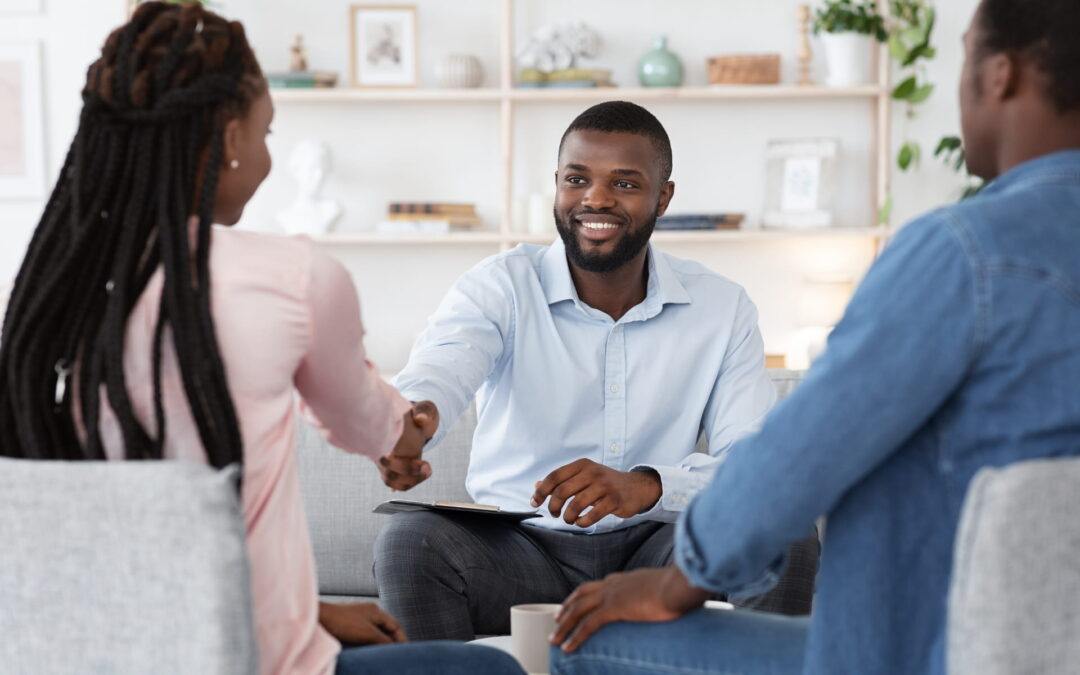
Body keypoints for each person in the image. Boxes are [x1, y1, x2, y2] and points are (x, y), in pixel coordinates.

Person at [547, 1, 1080, 673]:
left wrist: (680, 578)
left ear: (999, 74)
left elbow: (797, 457)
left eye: (966, 55)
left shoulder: (965, 256)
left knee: (583, 638)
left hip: (920, 652)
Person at [0, 4, 521, 675]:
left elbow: (145, 543)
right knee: (492, 671)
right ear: (229, 133)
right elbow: (369, 421)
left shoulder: (53, 292)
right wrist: (402, 435)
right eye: (267, 130)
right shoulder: (293, 279)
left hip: (87, 654)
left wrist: (316, 610)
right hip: (252, 661)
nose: (271, 154)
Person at [375, 101, 820, 641]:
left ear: (664, 197)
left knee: (781, 532)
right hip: (517, 552)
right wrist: (411, 422)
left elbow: (755, 469)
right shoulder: (500, 285)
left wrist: (649, 488)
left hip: (658, 554)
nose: (596, 198)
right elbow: (442, 367)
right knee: (409, 541)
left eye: (625, 183)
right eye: (577, 179)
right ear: (557, 186)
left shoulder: (722, 308)